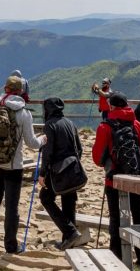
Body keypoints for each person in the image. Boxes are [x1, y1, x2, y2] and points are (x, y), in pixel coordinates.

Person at [0, 75, 44, 254]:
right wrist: (43, 140)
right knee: (11, 206)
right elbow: (32, 143)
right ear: (21, 91)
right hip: (13, 165)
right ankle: (11, 246)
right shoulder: (24, 113)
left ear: (5, 88)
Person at [92, 92, 140, 268]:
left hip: (114, 181)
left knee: (116, 220)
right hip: (137, 179)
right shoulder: (138, 126)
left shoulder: (105, 127)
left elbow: (97, 159)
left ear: (111, 106)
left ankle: (117, 260)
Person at [39, 97, 83, 250]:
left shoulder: (49, 125)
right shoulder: (70, 123)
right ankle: (69, 240)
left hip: (57, 170)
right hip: (73, 168)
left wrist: (42, 173)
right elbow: (80, 148)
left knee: (45, 197)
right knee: (69, 201)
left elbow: (47, 152)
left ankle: (70, 232)